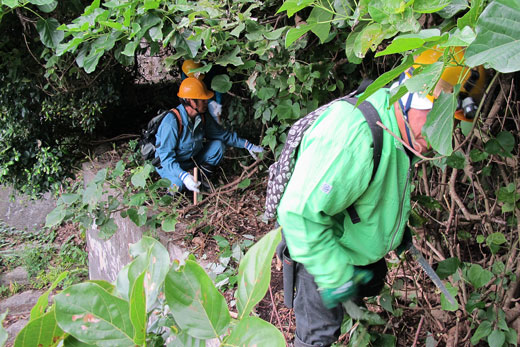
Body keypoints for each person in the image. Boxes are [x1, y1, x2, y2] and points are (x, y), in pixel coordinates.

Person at [273, 47, 487, 347]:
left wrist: (397, 234)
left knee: (353, 313)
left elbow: (379, 188)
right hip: (322, 255)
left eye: (448, 126)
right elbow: (298, 213)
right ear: (413, 97)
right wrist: (335, 276)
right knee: (317, 338)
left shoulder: (401, 130)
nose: (439, 137)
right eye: (435, 119)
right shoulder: (351, 135)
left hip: (357, 252)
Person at [155, 77, 263, 193]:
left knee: (218, 146)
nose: (207, 102)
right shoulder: (172, 122)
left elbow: (222, 135)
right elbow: (166, 158)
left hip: (191, 160)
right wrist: (183, 176)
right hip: (170, 166)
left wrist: (248, 145)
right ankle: (179, 190)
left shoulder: (202, 116)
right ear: (190, 100)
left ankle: (200, 180)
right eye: (203, 100)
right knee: (178, 186)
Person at [181, 59, 226, 124]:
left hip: (209, 89)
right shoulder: (185, 77)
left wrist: (218, 103)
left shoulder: (209, 70)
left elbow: (218, 84)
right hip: (198, 100)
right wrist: (209, 101)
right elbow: (193, 94)